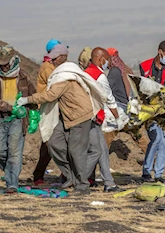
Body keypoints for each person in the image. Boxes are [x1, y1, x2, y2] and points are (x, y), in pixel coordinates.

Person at [17, 44, 106, 194]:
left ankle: (82, 185)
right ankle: (70, 175)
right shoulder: (60, 73)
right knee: (53, 142)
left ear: (63, 58)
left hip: (79, 116)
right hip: (66, 116)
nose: (51, 61)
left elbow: (50, 95)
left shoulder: (65, 76)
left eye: (55, 58)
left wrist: (27, 100)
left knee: (76, 151)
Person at [0, 46, 36, 193]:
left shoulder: (23, 77)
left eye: (6, 63)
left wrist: (33, 114)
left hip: (18, 120)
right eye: (1, 64)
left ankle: (12, 183)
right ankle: (9, 172)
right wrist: (9, 108)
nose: (3, 66)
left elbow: (32, 96)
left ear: (13, 61)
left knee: (15, 152)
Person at [138, 40, 165, 183]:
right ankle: (146, 171)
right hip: (149, 108)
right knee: (156, 138)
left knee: (164, 140)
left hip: (163, 107)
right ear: (160, 52)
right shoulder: (145, 66)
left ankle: (159, 174)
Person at [84, 47, 121, 192]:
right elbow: (109, 99)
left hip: (90, 116)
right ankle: (78, 179)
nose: (108, 62)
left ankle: (109, 183)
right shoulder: (100, 76)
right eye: (107, 59)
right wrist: (118, 118)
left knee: (103, 150)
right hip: (91, 118)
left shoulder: (86, 72)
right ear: (101, 59)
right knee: (96, 151)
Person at [32, 39, 63, 186]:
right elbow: (55, 86)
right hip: (48, 109)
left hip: (55, 108)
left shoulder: (52, 66)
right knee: (48, 143)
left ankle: (65, 174)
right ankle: (38, 174)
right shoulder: (47, 68)